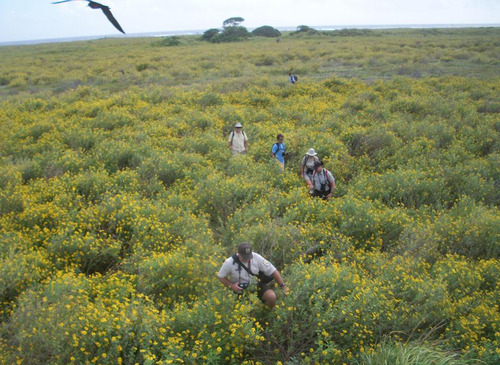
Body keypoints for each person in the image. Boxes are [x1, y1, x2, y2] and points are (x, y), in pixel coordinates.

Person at [217, 243, 288, 308]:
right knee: (245, 311)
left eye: (249, 257)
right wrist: (232, 286)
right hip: (239, 289)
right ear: (238, 254)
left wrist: (283, 286)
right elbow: (221, 276)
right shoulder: (229, 262)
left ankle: (264, 314)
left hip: (256, 285)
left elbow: (273, 270)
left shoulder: (256, 257)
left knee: (271, 296)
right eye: (244, 257)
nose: (247, 259)